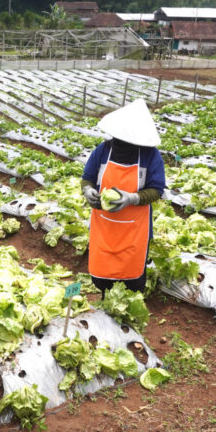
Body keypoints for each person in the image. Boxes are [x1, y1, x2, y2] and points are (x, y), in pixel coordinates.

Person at [81, 99, 166, 295]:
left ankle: (130, 307)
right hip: (104, 224)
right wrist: (88, 191)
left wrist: (131, 198)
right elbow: (87, 178)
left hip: (134, 227)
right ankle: (106, 302)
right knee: (101, 276)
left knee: (133, 278)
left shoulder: (150, 156)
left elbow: (157, 189)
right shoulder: (103, 151)